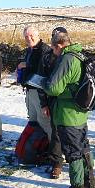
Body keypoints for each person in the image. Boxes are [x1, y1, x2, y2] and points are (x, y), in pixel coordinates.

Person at [43, 30, 95, 188]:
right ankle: (89, 182)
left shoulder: (67, 59)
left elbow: (54, 88)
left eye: (53, 48)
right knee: (83, 147)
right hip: (80, 112)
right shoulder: (80, 54)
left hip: (67, 114)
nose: (53, 52)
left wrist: (44, 83)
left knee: (73, 153)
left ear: (58, 45)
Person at [38, 26, 67, 179]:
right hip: (53, 101)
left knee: (74, 133)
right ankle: (57, 163)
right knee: (55, 133)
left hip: (71, 103)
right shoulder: (47, 57)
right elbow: (41, 81)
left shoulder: (73, 56)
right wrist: (43, 103)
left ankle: (80, 162)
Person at [17, 26, 52, 140]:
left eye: (31, 36)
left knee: (44, 122)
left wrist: (27, 65)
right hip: (29, 90)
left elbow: (44, 71)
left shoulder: (45, 50)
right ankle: (37, 148)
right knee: (33, 120)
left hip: (40, 91)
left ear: (38, 35)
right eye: (26, 37)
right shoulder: (30, 50)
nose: (29, 38)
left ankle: (51, 150)